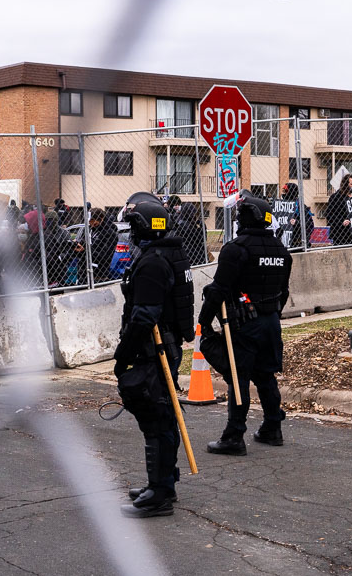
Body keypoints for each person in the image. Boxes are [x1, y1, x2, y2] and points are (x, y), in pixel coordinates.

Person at [114, 193, 194, 519]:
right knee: (161, 413)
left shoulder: (152, 263)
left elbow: (144, 316)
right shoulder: (172, 253)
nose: (130, 233)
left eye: (134, 226)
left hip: (156, 350)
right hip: (168, 347)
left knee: (156, 417)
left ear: (145, 227)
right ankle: (163, 481)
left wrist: (122, 357)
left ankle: (159, 492)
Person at [199, 195, 293, 456]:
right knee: (265, 376)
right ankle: (272, 428)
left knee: (238, 378)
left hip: (244, 324)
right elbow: (283, 293)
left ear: (245, 218)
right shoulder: (281, 251)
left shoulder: (236, 248)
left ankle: (234, 436)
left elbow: (218, 289)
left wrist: (203, 321)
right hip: (271, 322)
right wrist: (270, 315)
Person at [168, 195, 208, 266]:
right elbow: (204, 238)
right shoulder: (200, 224)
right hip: (201, 255)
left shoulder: (183, 224)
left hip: (188, 256)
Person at [325, 174, 352, 245]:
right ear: (345, 184)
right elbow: (329, 215)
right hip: (340, 234)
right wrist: (341, 222)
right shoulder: (335, 197)